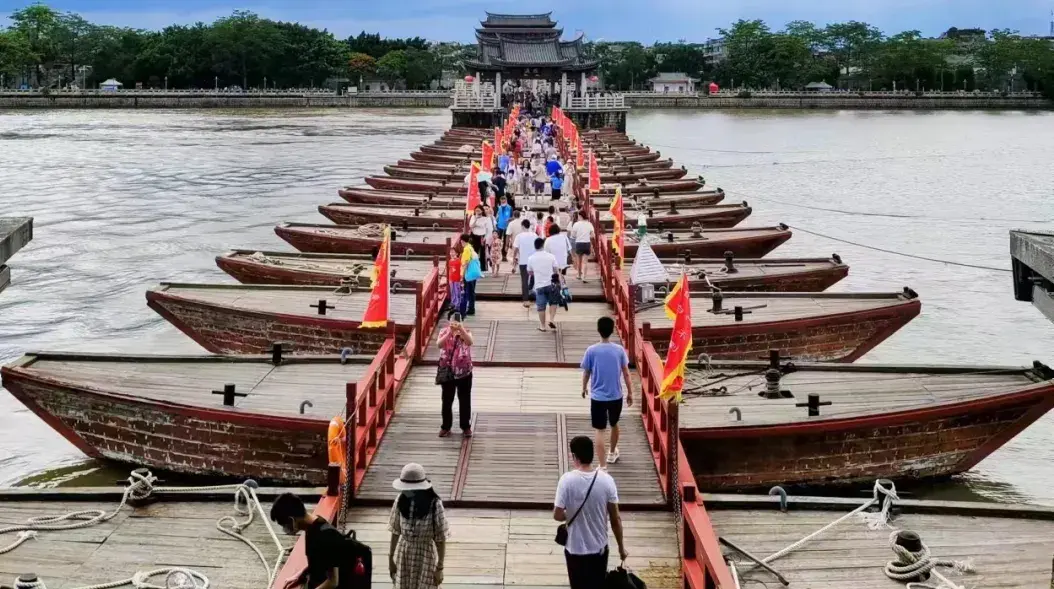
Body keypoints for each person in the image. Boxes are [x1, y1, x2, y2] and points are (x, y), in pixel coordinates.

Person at [554, 436, 628, 589]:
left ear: (574, 456)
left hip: (574, 549)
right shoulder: (607, 481)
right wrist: (621, 548)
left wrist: (570, 514)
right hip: (599, 549)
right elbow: (615, 519)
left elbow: (557, 515)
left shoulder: (566, 481)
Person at [580, 317, 633, 469]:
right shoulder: (619, 350)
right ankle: (611, 453)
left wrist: (584, 388)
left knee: (599, 430)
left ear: (598, 330)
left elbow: (586, 372)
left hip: (598, 397)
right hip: (616, 395)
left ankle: (602, 466)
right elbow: (626, 373)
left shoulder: (591, 350)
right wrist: (630, 392)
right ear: (612, 330)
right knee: (614, 423)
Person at [389, 463, 450, 589]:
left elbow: (441, 538)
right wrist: (390, 558)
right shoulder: (400, 500)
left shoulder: (435, 505)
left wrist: (440, 568)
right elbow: (395, 531)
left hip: (425, 554)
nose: (405, 491)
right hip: (405, 551)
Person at [271, 493, 344, 589]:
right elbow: (318, 562)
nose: (285, 529)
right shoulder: (312, 526)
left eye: (284, 525)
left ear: (291, 520)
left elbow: (333, 581)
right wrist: (300, 574)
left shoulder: (326, 536)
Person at [436, 313, 474, 437]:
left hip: (464, 371)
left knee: (464, 399)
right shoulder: (443, 331)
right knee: (447, 400)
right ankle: (446, 426)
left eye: (457, 322)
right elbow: (439, 344)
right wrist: (449, 333)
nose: (455, 324)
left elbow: (470, 342)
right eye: (453, 322)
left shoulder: (466, 332)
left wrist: (461, 330)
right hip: (448, 370)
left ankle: (465, 426)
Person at [527, 237, 560, 332]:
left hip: (539, 285)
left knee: (541, 306)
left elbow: (529, 272)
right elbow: (555, 269)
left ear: (535, 246)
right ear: (543, 245)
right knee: (553, 302)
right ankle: (552, 320)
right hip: (551, 283)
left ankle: (542, 326)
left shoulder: (531, 258)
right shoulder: (551, 256)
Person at [512, 219, 537, 306]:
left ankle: (526, 300)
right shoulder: (534, 235)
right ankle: (533, 292)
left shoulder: (519, 236)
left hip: (523, 260)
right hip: (534, 261)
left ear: (522, 226)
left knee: (524, 280)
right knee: (534, 277)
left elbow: (515, 248)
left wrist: (514, 258)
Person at [569, 212, 595, 282]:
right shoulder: (589, 224)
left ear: (580, 216)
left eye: (578, 216)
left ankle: (579, 275)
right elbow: (593, 235)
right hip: (587, 243)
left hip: (579, 243)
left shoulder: (576, 224)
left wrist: (578, 236)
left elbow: (573, 235)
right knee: (585, 262)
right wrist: (587, 236)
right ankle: (584, 277)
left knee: (579, 261)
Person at [459, 234, 479, 317]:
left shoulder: (467, 249)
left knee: (469, 291)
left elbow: (466, 262)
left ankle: (471, 309)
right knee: (471, 290)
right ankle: (471, 307)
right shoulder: (470, 247)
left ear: (462, 241)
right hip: (473, 272)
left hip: (468, 273)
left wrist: (462, 274)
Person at [469, 205, 492, 273]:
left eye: (479, 210)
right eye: (476, 210)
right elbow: (471, 226)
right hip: (474, 236)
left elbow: (489, 230)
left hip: (482, 236)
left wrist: (485, 238)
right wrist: (476, 218)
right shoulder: (473, 217)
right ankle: (473, 267)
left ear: (482, 211)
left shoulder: (486, 218)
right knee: (473, 252)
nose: (477, 212)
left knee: (482, 253)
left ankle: (482, 269)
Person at [447, 248, 463, 315]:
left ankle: (457, 305)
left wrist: (461, 278)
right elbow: (450, 270)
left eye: (453, 252)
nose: (452, 254)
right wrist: (449, 279)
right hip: (451, 279)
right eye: (451, 252)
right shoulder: (450, 261)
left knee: (457, 292)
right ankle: (453, 304)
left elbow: (461, 270)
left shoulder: (459, 261)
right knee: (452, 292)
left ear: (456, 253)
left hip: (457, 279)